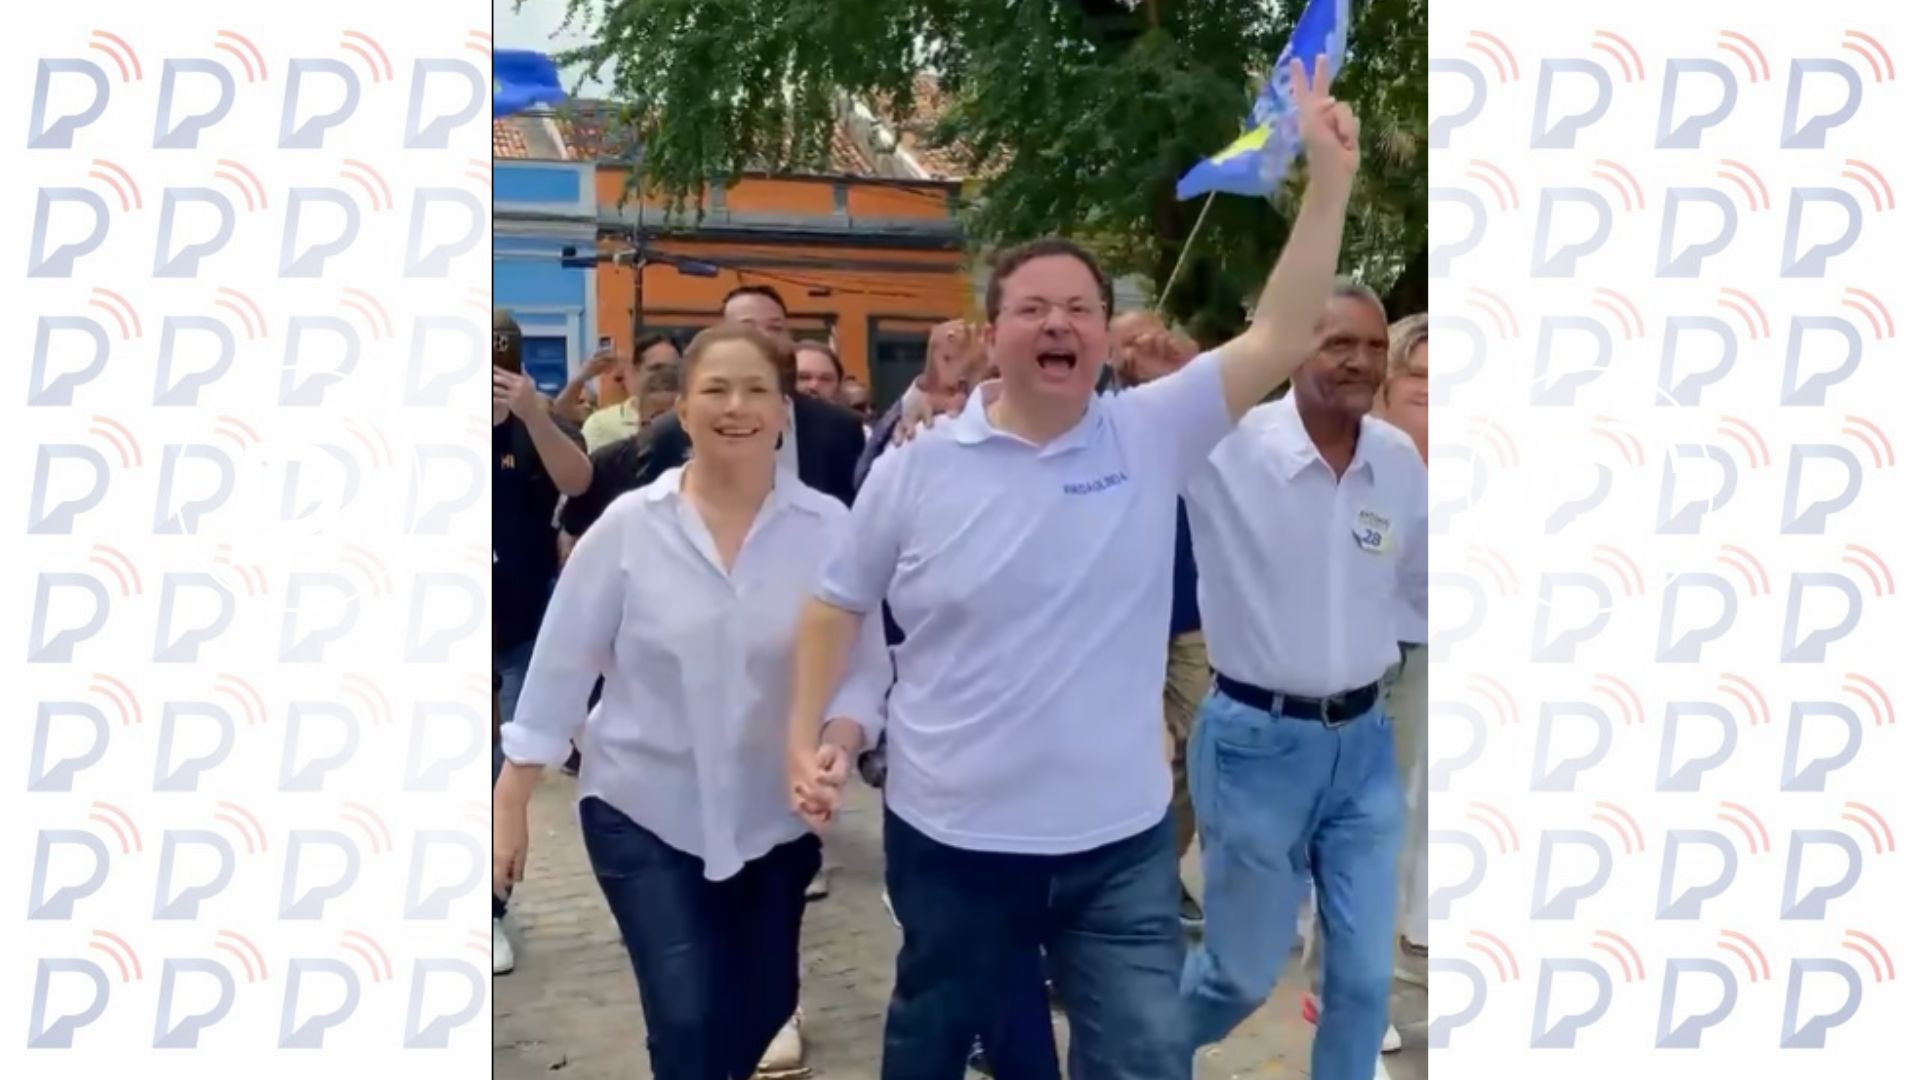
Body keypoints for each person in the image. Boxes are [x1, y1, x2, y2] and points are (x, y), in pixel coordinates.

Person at [787, 57, 1359, 1080]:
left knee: (1141, 1055)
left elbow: (1279, 334)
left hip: (1121, 845)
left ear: (1103, 333)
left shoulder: (1151, 431)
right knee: (930, 1046)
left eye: (1079, 308)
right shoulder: (918, 470)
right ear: (992, 333)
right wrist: (806, 739)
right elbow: (836, 604)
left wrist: (1328, 181)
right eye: (1033, 308)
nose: (1057, 323)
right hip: (954, 839)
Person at [493, 324, 891, 1078]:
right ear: (681, 409)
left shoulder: (831, 530)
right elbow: (562, 664)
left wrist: (838, 736)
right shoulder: (630, 528)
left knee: (765, 1006)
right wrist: (510, 802)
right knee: (685, 1015)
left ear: (784, 411)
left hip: (776, 816)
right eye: (714, 389)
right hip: (642, 806)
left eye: (755, 391)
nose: (734, 407)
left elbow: (864, 671)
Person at [1178, 282, 1428, 1080]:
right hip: (1255, 747)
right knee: (1239, 973)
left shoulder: (1396, 459)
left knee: (1361, 978)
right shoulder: (1225, 445)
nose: (1359, 360)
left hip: (1364, 745)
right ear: (1290, 351)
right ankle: (1136, 1058)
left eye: (1373, 346)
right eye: (1337, 343)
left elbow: (1420, 584)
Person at [561, 287, 868, 544]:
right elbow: (592, 487)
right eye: (748, 327)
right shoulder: (667, 437)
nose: (763, 339)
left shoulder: (839, 431)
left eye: (776, 327)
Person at [491, 309, 591, 976]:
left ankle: (490, 908)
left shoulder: (539, 425)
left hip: (525, 623)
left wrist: (533, 417)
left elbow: (578, 481)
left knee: (506, 769)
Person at [1110, 312, 1211, 927]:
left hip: (1191, 611)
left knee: (1205, 750)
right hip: (1118, 617)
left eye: (1151, 335)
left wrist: (1188, 376)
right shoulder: (1095, 417)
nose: (1140, 348)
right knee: (1126, 755)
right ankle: (1118, 887)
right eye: (1127, 340)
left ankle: (1159, 873)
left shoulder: (1194, 412)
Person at [1377, 314, 1428, 976]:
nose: (1430, 389)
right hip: (1365, 656)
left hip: (1428, 649)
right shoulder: (1366, 457)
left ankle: (1409, 929)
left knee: (1412, 803)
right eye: (1417, 375)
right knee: (1369, 818)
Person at [580, 334, 684, 452]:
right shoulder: (600, 425)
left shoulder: (693, 424)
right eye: (656, 368)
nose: (666, 376)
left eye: (674, 369)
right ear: (635, 372)